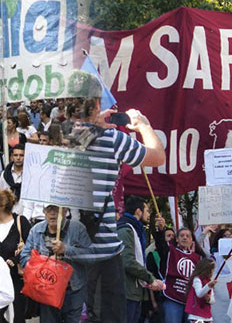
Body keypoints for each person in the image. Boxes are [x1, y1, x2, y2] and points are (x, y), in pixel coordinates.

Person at [73, 79, 165, 323]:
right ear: (95, 104)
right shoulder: (111, 139)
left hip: (66, 252)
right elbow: (157, 156)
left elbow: (73, 136)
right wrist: (143, 126)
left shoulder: (55, 139)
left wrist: (91, 122)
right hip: (103, 254)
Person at [20, 205, 93, 323]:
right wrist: (44, 263)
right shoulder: (36, 230)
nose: (53, 213)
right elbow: (24, 257)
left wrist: (66, 250)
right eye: (49, 209)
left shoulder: (77, 228)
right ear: (44, 212)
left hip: (73, 289)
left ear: (65, 210)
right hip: (47, 290)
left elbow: (90, 256)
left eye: (57, 209)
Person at [0, 189, 31, 322]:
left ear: (2, 205)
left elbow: (31, 246)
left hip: (16, 281)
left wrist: (16, 259)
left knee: (16, 317)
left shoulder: (20, 222)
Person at [117, 197, 164, 323]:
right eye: (147, 211)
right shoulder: (125, 230)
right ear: (138, 212)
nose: (149, 215)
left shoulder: (135, 230)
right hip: (126, 291)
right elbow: (128, 262)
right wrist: (150, 278)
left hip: (134, 290)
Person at [155, 219, 202, 323]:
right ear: (176, 239)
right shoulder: (170, 251)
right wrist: (161, 230)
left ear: (191, 240)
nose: (185, 237)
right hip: (172, 297)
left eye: (187, 236)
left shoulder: (198, 258)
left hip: (190, 301)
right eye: (182, 235)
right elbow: (161, 245)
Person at [184, 258, 217, 323]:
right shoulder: (197, 279)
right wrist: (208, 286)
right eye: (212, 270)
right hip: (196, 315)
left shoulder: (209, 281)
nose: (213, 272)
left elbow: (213, 300)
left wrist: (209, 299)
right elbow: (199, 294)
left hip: (208, 316)